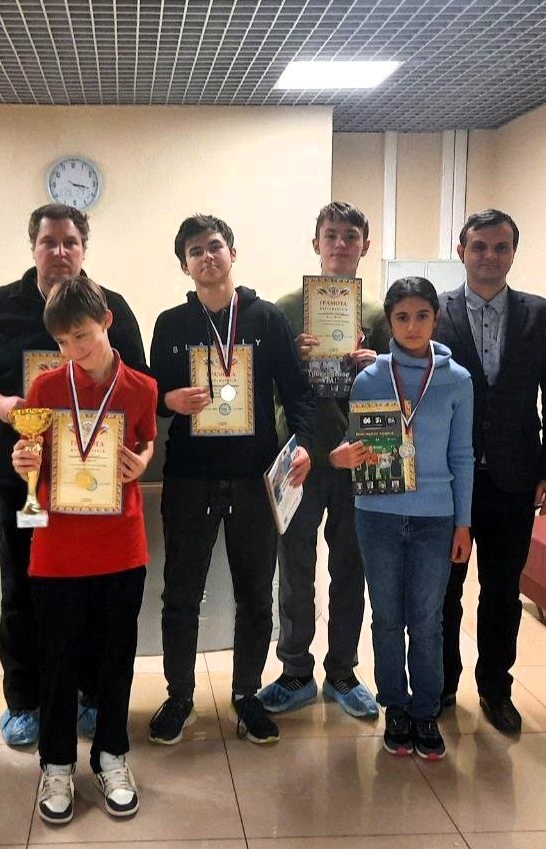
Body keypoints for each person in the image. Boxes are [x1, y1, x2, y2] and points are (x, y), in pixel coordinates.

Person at [0, 204, 148, 747]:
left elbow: (139, 384)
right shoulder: (0, 306)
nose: (60, 251)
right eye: (49, 242)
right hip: (25, 479)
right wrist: (3, 406)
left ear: (84, 248)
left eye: (70, 242)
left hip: (95, 485)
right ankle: (25, 701)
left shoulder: (111, 307)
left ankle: (89, 695)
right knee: (22, 587)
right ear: (34, 247)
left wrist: (139, 455)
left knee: (90, 592)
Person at [148, 213, 315, 746]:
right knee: (181, 594)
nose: (207, 256)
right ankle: (179, 697)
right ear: (185, 266)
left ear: (232, 253)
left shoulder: (267, 318)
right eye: (195, 251)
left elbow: (297, 392)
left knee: (256, 596)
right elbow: (152, 395)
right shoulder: (171, 324)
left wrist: (305, 445)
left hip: (253, 478)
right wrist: (169, 399)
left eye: (214, 246)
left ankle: (246, 695)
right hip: (190, 477)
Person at [11, 276, 157, 824]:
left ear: (106, 322)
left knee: (116, 658)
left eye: (82, 336)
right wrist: (22, 463)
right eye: (63, 342)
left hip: (121, 545)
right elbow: (32, 459)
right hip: (58, 548)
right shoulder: (46, 388)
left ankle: (112, 754)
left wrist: (142, 461)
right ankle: (56, 763)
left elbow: (146, 439)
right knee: (57, 663)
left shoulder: (141, 387)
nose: (73, 350)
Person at [432, 209, 546, 733]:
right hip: (448, 480)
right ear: (462, 251)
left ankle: (495, 689)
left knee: (501, 591)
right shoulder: (434, 311)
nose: (489, 256)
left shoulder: (541, 315)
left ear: (513, 252)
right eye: (479, 246)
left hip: (514, 478)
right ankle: (441, 683)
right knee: (443, 591)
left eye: (500, 247)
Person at [331, 276, 474, 761]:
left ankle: (425, 710)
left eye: (422, 316)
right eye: (402, 317)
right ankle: (394, 704)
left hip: (436, 518)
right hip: (378, 515)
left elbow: (462, 455)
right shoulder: (370, 378)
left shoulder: (457, 380)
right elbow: (355, 444)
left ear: (436, 318)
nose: (412, 326)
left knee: (427, 620)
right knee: (387, 618)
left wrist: (463, 523)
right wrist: (342, 456)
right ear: (389, 322)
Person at [258, 201, 385, 718]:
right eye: (331, 235)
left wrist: (378, 365)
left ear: (364, 246)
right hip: (302, 459)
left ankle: (343, 672)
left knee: (350, 568)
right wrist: (292, 357)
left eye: (350, 236)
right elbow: (262, 389)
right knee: (295, 569)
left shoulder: (379, 314)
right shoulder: (284, 311)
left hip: (358, 458)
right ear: (316, 243)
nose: (340, 244)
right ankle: (294, 672)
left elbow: (397, 395)